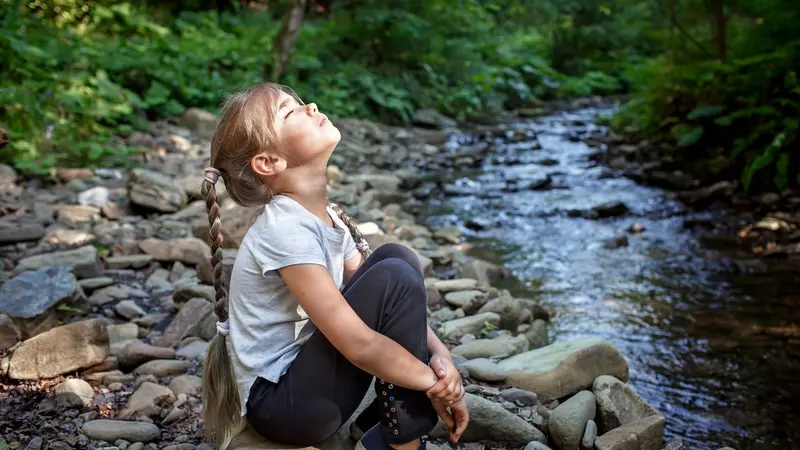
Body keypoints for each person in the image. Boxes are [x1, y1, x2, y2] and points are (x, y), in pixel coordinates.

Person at [199, 82, 469, 450]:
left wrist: (441, 355)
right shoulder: (285, 230)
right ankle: (403, 444)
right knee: (394, 272)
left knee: (395, 258)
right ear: (268, 162)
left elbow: (385, 304)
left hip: (310, 387)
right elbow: (357, 343)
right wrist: (434, 384)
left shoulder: (327, 220)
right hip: (283, 408)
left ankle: (384, 428)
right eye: (291, 112)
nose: (311, 105)